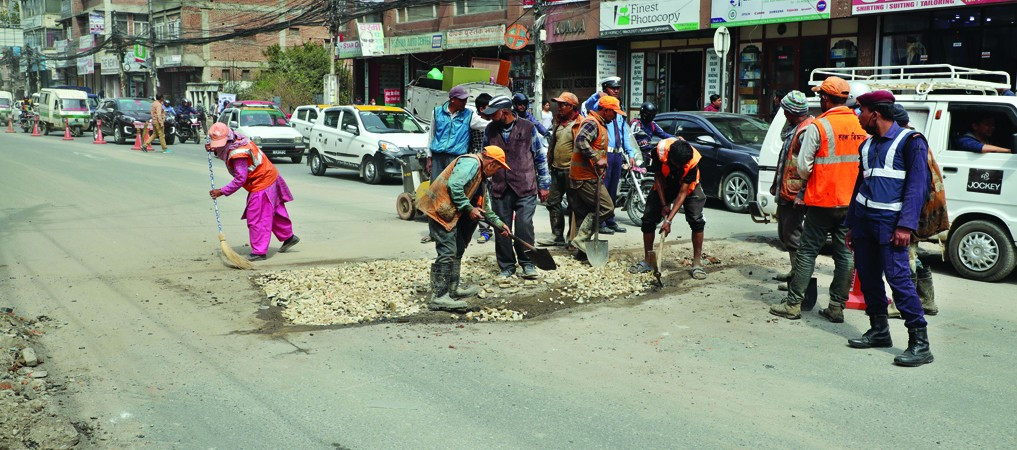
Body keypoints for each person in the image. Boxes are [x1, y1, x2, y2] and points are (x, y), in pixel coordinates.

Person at [844, 90, 934, 367]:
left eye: (861, 111)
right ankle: (879, 331)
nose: (857, 117)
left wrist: (906, 225)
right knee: (869, 279)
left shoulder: (912, 142)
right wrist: (851, 225)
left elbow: (918, 186)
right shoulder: (867, 146)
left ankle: (920, 344)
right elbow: (860, 187)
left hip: (892, 225)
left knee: (899, 282)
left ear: (876, 113)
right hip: (865, 224)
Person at [770, 76, 866, 321]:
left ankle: (793, 305)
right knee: (844, 254)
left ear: (825, 98)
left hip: (822, 199)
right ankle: (836, 307)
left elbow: (803, 167)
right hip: (850, 201)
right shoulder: (860, 125)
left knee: (807, 251)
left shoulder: (819, 126)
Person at [418, 146, 512, 311]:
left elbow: (485, 208)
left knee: (458, 249)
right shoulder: (471, 163)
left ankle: (452, 289)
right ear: (490, 161)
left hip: (448, 211)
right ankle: (439, 296)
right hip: (439, 209)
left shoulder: (480, 177)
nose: (497, 171)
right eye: (497, 166)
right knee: (447, 252)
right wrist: (469, 208)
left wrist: (498, 224)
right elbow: (454, 185)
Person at [206, 123, 299, 261]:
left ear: (227, 139)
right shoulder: (238, 139)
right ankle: (288, 237)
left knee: (257, 217)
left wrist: (222, 191)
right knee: (272, 211)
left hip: (262, 183)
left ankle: (259, 251)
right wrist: (214, 148)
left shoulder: (238, 154)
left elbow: (240, 179)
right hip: (270, 176)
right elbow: (224, 151)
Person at [483, 95, 551, 279]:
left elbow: (539, 158)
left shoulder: (528, 128)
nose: (489, 117)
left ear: (504, 112)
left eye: (492, 113)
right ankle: (506, 266)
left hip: (525, 186)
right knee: (502, 228)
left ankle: (528, 263)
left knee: (524, 226)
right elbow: (484, 159)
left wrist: (544, 185)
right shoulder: (490, 130)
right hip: (499, 187)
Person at [631, 138, 708, 279]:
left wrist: (669, 221)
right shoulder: (658, 152)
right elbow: (658, 177)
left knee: (696, 220)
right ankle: (648, 261)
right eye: (678, 164)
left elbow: (682, 193)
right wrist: (663, 204)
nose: (680, 166)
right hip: (665, 182)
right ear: (671, 158)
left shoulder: (692, 161)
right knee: (648, 220)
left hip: (689, 187)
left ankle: (697, 263)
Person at [892, 104, 940, 317]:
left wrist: (906, 218)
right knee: (912, 255)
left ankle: (901, 305)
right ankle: (926, 300)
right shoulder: (913, 139)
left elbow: (917, 184)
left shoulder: (910, 142)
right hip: (917, 209)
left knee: (906, 257)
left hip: (911, 211)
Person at [768, 91, 814, 288]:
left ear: (794, 112)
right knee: (786, 233)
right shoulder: (795, 128)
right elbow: (787, 160)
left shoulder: (806, 131)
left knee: (794, 235)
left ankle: (798, 281)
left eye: (786, 111)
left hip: (796, 194)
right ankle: (795, 272)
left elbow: (809, 166)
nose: (784, 114)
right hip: (788, 191)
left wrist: (802, 193)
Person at [581, 77, 638, 234]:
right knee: (602, 190)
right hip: (604, 154)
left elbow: (624, 133)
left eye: (618, 88)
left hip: (617, 155)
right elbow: (585, 107)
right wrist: (596, 95)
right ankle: (600, 222)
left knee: (613, 189)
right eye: (613, 88)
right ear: (605, 89)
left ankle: (610, 219)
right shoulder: (599, 106)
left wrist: (631, 152)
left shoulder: (618, 110)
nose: (616, 90)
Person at [569, 96, 622, 256]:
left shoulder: (600, 124)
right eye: (614, 113)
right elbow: (581, 141)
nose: (616, 116)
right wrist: (597, 158)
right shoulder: (592, 122)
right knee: (607, 208)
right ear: (605, 110)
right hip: (585, 176)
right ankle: (581, 240)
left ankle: (580, 252)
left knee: (584, 213)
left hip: (586, 175)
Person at [537, 92, 583, 247]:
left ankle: (573, 238)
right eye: (559, 104)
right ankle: (557, 236)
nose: (560, 107)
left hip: (572, 172)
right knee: (553, 202)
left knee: (574, 206)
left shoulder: (580, 123)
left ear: (572, 106)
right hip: (556, 170)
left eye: (563, 104)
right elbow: (552, 146)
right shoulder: (558, 123)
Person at [425, 85, 489, 182]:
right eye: (462, 99)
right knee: (436, 188)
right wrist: (429, 157)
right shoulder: (437, 112)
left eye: (466, 99)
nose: (465, 102)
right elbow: (431, 136)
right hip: (437, 157)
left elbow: (486, 124)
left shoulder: (469, 115)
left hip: (457, 158)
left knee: (454, 187)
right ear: (452, 100)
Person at [471, 93, 495, 244]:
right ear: (481, 109)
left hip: (495, 167)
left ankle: (501, 229)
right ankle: (485, 230)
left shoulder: (496, 123)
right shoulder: (475, 123)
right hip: (479, 168)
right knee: (481, 200)